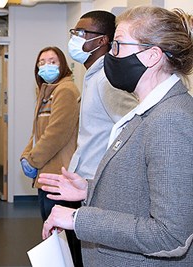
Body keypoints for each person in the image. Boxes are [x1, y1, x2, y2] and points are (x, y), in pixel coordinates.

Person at [40, 6, 193, 266]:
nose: (110, 55)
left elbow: (171, 236)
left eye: (118, 46)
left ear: (152, 56)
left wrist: (78, 219)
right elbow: (141, 191)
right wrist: (89, 189)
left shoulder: (170, 118)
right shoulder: (150, 111)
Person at [19, 46, 81, 263]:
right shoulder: (46, 91)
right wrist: (26, 155)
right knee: (53, 236)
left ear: (62, 64)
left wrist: (33, 159)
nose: (47, 65)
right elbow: (38, 132)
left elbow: (57, 133)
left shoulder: (65, 90)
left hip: (58, 176)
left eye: (52, 61)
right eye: (42, 61)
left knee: (62, 238)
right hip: (46, 175)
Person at [67, 10, 137, 181]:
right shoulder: (93, 75)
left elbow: (134, 125)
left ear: (102, 40)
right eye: (74, 33)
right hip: (85, 177)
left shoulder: (107, 79)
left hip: (98, 179)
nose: (75, 38)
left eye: (82, 33)